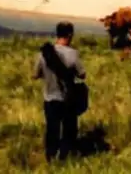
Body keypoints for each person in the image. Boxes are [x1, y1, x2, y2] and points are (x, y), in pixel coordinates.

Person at [34, 21, 87, 163]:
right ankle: (66, 158)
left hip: (50, 99)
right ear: (70, 35)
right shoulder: (73, 54)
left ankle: (50, 158)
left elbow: (35, 75)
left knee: (52, 129)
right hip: (67, 99)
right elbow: (82, 75)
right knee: (69, 130)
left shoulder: (43, 54)